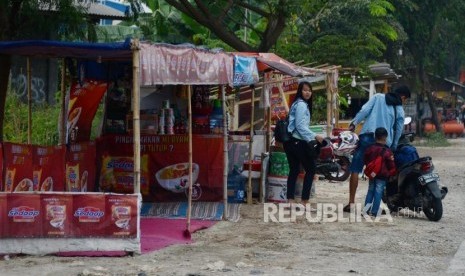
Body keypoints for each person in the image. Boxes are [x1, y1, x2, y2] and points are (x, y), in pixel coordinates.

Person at [343, 85, 411, 212]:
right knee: (379, 173)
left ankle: (351, 203)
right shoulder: (399, 110)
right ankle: (374, 207)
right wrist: (393, 146)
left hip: (367, 138)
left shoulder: (378, 97)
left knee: (355, 170)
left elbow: (364, 110)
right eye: (405, 99)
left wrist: (354, 123)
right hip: (384, 144)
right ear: (402, 97)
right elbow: (398, 130)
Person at [283, 81, 324, 207]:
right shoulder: (301, 105)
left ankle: (290, 200)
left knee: (294, 170)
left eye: (309, 90)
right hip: (298, 141)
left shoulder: (296, 103)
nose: (307, 92)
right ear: (300, 91)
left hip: (290, 142)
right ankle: (304, 201)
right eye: (305, 90)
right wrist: (314, 136)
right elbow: (300, 126)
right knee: (311, 169)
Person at [363, 127, 396, 216]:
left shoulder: (370, 148)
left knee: (370, 191)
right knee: (378, 192)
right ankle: (374, 211)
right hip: (382, 175)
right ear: (385, 137)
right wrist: (392, 173)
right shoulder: (387, 150)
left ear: (375, 136)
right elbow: (391, 164)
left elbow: (365, 160)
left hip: (372, 174)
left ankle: (365, 211)